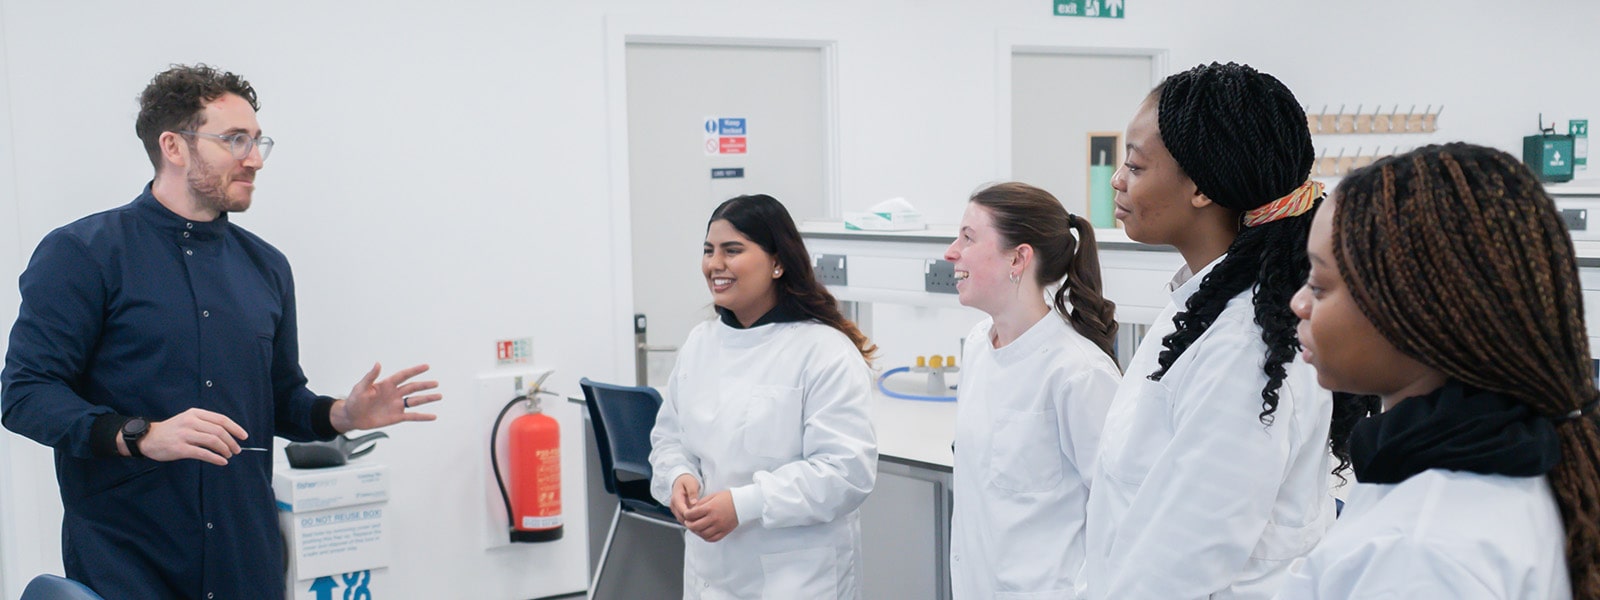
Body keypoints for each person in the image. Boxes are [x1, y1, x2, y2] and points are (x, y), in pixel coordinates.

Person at [0, 64, 440, 599]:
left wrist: (340, 415)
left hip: (245, 561)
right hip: (129, 562)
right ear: (174, 147)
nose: (253, 158)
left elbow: (280, 399)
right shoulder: (84, 253)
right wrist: (142, 435)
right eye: (234, 140)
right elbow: (25, 395)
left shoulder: (267, 268)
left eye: (258, 141)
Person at [1079, 62, 1367, 599]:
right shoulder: (1205, 306)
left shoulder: (1243, 347)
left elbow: (1179, 567)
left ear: (1201, 190)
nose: (1117, 180)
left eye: (1136, 167)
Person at [1277, 143, 1600, 599]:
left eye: (1319, 285)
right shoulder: (1505, 447)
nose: (1299, 303)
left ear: (1416, 310)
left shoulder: (1420, 553)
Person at [648, 194, 878, 599]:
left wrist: (745, 504)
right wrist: (678, 476)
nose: (714, 264)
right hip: (711, 572)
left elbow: (845, 472)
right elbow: (669, 439)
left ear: (778, 262)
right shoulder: (701, 343)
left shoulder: (823, 350)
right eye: (708, 251)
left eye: (732, 250)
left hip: (797, 577)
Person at [942, 182, 1121, 598]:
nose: (951, 252)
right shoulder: (977, 347)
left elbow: (1122, 514)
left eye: (968, 238)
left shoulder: (1078, 372)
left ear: (1019, 258)